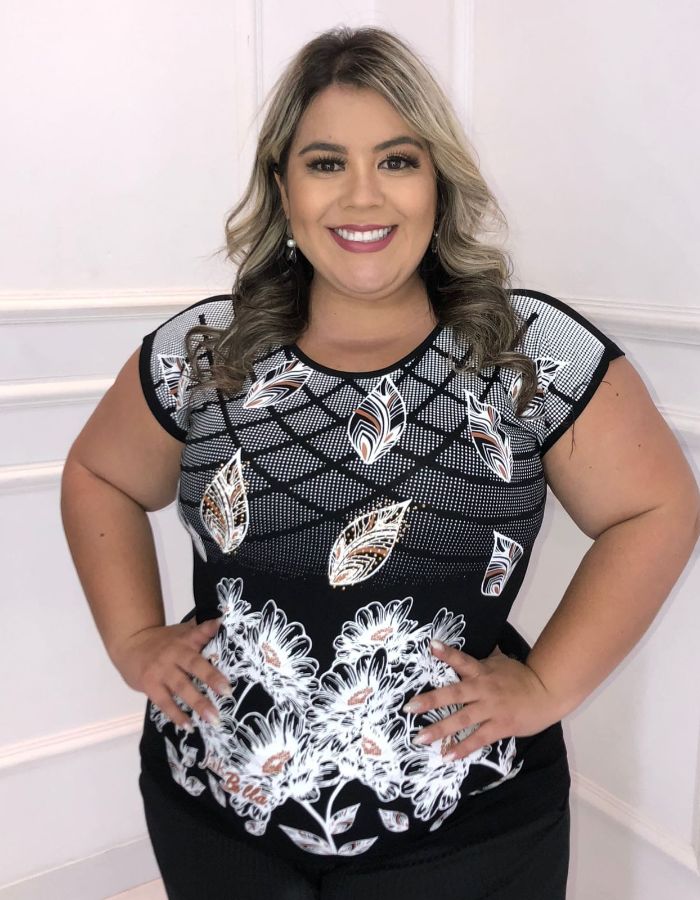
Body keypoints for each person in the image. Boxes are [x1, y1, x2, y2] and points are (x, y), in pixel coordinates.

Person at [60, 24, 699, 900]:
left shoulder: (524, 352)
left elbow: (656, 507)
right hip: (215, 819)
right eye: (326, 163)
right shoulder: (207, 350)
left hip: (468, 837)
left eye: (397, 160)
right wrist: (133, 640)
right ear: (283, 187)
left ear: (439, 181)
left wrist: (546, 685)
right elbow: (98, 475)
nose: (363, 196)